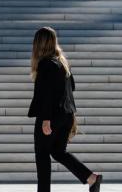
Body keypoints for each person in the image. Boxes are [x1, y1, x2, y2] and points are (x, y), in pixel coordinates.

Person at [28, 27, 103, 192]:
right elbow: (71, 88)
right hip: (66, 115)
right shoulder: (62, 63)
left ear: (38, 44)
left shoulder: (46, 64)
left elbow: (46, 94)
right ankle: (91, 178)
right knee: (57, 152)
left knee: (42, 155)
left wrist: (46, 120)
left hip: (51, 116)